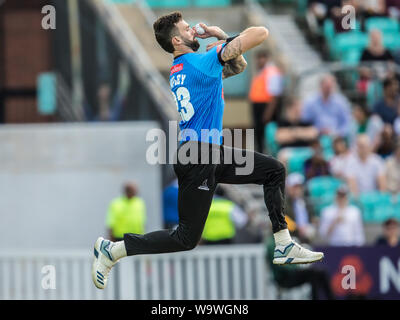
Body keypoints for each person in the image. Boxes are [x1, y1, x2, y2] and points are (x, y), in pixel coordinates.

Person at [91, 11, 324, 289]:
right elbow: (260, 33)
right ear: (177, 40)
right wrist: (218, 34)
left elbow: (238, 66)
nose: (194, 30)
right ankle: (113, 250)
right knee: (186, 238)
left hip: (209, 151)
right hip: (199, 154)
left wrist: (223, 41)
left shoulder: (186, 66)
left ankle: (283, 243)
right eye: (188, 29)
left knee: (274, 170)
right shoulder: (201, 62)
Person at [248, 50, 284, 153]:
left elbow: (275, 96)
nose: (260, 60)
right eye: (258, 58)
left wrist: (268, 114)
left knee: (267, 135)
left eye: (263, 57)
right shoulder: (261, 72)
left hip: (266, 108)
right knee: (259, 135)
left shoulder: (271, 72)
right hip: (258, 107)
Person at [285, 173, 317, 243]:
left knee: (311, 231)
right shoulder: (284, 203)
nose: (297, 190)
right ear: (289, 188)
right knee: (294, 241)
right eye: (295, 187)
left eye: (299, 187)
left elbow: (312, 217)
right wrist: (297, 228)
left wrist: (313, 222)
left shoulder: (306, 202)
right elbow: (284, 219)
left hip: (306, 232)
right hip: (291, 235)